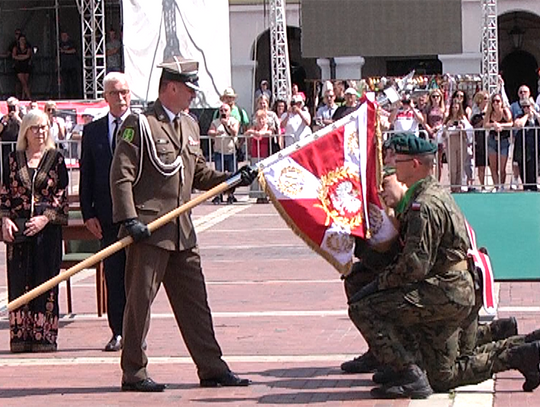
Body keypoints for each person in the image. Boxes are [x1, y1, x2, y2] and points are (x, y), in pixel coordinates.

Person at [110, 56, 257, 392]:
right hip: (149, 230)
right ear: (171, 87)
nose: (194, 96)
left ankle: (212, 368)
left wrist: (233, 178)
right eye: (189, 89)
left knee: (196, 304)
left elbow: (200, 173)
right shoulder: (140, 124)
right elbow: (121, 175)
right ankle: (134, 372)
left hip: (182, 232)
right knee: (139, 305)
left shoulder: (189, 125)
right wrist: (129, 218)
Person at [0, 109, 69, 353]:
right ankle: (21, 337)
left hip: (46, 231)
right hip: (18, 230)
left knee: (45, 281)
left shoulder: (56, 159)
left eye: (43, 127)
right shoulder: (12, 159)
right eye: (35, 127)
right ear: (25, 131)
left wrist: (44, 218)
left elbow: (61, 198)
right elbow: (5, 193)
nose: (40, 132)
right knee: (19, 281)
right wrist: (5, 219)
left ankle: (44, 337)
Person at [80, 72, 131, 352]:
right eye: (115, 93)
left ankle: (136, 333)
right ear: (105, 97)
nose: (121, 98)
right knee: (113, 275)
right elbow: (87, 174)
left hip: (137, 216)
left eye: (124, 92)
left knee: (137, 280)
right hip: (107, 218)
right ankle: (119, 332)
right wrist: (88, 214)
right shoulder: (94, 131)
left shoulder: (142, 126)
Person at [207, 102, 239, 204]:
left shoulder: (234, 121)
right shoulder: (215, 122)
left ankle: (230, 195)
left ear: (230, 111)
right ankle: (219, 195)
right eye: (221, 110)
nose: (223, 112)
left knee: (232, 175)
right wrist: (216, 133)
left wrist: (227, 125)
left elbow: (235, 132)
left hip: (231, 152)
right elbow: (210, 132)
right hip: (219, 152)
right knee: (219, 175)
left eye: (225, 110)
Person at [442, 99, 474, 192]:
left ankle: (458, 187)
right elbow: (442, 134)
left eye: (456, 107)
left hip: (461, 141)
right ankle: (453, 186)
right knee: (452, 167)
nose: (454, 109)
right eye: (453, 107)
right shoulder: (447, 118)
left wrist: (462, 128)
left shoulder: (463, 118)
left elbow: (469, 132)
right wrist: (447, 126)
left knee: (460, 165)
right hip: (451, 141)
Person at [485, 93, 513, 191]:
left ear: (501, 102)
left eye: (498, 101)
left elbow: (511, 123)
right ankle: (496, 186)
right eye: (494, 101)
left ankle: (501, 186)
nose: (496, 103)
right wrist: (494, 125)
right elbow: (485, 124)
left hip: (504, 140)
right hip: (492, 140)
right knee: (493, 167)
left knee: (502, 168)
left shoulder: (505, 111)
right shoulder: (490, 112)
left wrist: (501, 126)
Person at [513, 98, 540, 191]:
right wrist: (526, 115)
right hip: (522, 147)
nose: (526, 108)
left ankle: (534, 186)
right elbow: (519, 124)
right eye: (524, 107)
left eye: (528, 106)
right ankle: (525, 187)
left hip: (535, 147)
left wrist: (535, 113)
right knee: (523, 170)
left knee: (534, 169)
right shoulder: (519, 116)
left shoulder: (537, 117)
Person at [470, 91, 489, 190]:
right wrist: (483, 117)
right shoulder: (475, 114)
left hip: (490, 140)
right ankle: (482, 186)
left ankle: (497, 185)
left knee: (493, 164)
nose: (487, 100)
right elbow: (474, 125)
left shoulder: (491, 111)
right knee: (481, 165)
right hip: (480, 141)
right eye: (485, 98)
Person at [0, 97, 23, 176]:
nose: (12, 109)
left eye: (13, 107)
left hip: (19, 146)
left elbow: (26, 128)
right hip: (6, 147)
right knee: (6, 168)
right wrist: (3, 123)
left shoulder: (23, 117)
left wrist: (18, 119)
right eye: (10, 107)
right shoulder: (5, 118)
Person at [59, 31, 79, 99]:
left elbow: (74, 50)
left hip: (72, 66)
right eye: (62, 36)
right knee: (65, 83)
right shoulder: (60, 44)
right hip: (64, 66)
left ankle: (76, 97)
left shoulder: (72, 43)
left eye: (65, 35)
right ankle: (67, 97)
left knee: (74, 83)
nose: (63, 37)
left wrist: (64, 51)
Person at [12, 34, 32, 100]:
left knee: (25, 82)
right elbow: (14, 56)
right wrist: (23, 57)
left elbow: (28, 55)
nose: (22, 41)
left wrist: (19, 57)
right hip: (19, 67)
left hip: (26, 66)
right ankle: (29, 97)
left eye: (23, 40)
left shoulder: (28, 48)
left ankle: (23, 97)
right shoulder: (15, 48)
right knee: (23, 82)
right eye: (21, 40)